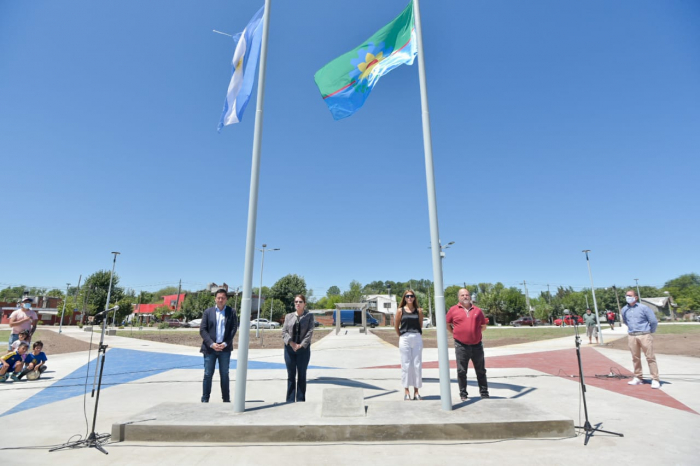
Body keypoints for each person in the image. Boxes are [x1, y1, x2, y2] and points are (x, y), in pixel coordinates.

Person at [446, 288, 489, 401]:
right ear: (459, 297)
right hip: (461, 345)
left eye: (467, 295)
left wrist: (474, 333)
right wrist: (455, 333)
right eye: (462, 295)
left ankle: (484, 393)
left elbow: (483, 326)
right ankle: (463, 394)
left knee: (480, 370)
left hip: (477, 345)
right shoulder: (453, 310)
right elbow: (447, 324)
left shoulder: (478, 311)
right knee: (461, 371)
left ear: (470, 297)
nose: (465, 297)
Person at [199, 289, 237, 402]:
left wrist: (225, 343)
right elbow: (202, 330)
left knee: (224, 375)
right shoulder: (208, 312)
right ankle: (205, 399)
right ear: (215, 299)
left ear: (226, 299)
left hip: (225, 349)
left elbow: (233, 329)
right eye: (218, 298)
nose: (220, 300)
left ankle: (226, 399)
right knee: (207, 374)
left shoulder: (232, 312)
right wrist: (212, 344)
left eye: (223, 298)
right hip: (210, 349)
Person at [622, 290, 660, 389]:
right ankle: (638, 377)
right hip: (631, 335)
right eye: (626, 295)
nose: (628, 297)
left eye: (630, 295)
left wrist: (650, 331)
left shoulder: (643, 308)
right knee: (635, 358)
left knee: (650, 357)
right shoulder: (624, 309)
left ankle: (655, 379)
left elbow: (653, 321)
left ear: (636, 297)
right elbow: (626, 321)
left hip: (644, 335)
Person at [282, 294, 314, 402]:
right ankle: (290, 400)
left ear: (304, 303)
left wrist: (301, 345)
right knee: (291, 376)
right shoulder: (288, 316)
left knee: (302, 375)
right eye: (296, 302)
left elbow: (310, 332)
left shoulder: (309, 316)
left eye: (300, 302)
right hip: (289, 349)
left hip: (303, 350)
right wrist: (291, 343)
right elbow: (284, 332)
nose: (298, 304)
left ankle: (300, 400)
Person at [394, 289, 424, 400]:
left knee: (417, 364)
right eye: (407, 296)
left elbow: (420, 325)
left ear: (414, 298)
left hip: (416, 337)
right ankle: (406, 391)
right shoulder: (400, 311)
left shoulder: (419, 311)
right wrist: (401, 335)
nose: (409, 298)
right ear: (404, 298)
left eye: (411, 296)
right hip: (404, 337)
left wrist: (415, 333)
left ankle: (417, 391)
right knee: (405, 364)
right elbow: (396, 326)